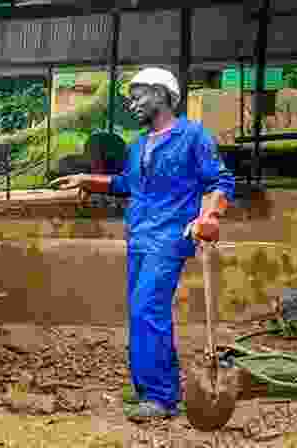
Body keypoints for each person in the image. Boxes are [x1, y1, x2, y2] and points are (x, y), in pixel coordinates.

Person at [49, 67, 235, 421]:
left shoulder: (193, 136)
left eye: (138, 96)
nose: (131, 104)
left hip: (171, 236)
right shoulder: (138, 146)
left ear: (162, 95)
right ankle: (148, 388)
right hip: (139, 237)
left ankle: (162, 397)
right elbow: (126, 184)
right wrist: (89, 180)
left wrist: (210, 216)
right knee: (141, 311)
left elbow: (220, 182)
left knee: (147, 308)